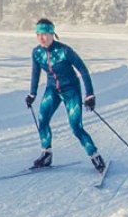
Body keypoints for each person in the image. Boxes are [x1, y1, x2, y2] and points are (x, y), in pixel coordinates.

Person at [25, 18, 104, 173]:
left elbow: (83, 71)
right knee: (42, 120)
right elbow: (35, 74)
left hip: (71, 91)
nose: (42, 38)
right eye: (38, 34)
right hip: (52, 90)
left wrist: (90, 95)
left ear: (52, 34)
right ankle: (46, 154)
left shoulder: (64, 51)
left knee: (76, 127)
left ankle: (95, 156)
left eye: (45, 34)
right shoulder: (37, 52)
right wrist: (32, 94)